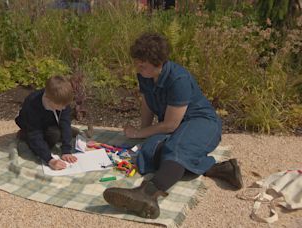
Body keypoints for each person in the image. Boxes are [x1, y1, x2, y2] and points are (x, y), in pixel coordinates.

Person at [103, 32, 243, 219]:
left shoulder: (179, 79)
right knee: (150, 152)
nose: (137, 67)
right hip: (177, 126)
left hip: (201, 122)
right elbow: (147, 102)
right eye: (137, 62)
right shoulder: (145, 75)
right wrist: (142, 133)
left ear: (158, 63)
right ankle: (221, 169)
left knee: (176, 149)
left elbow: (170, 124)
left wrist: (138, 133)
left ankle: (148, 193)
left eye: (142, 64)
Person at [15, 75, 78, 170]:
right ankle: (24, 135)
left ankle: (56, 134)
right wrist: (49, 159)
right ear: (48, 100)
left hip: (49, 121)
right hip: (30, 125)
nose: (63, 108)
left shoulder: (61, 101)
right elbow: (35, 134)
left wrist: (66, 150)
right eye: (60, 106)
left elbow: (65, 123)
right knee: (53, 135)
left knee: (66, 130)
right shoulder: (32, 104)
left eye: (65, 105)